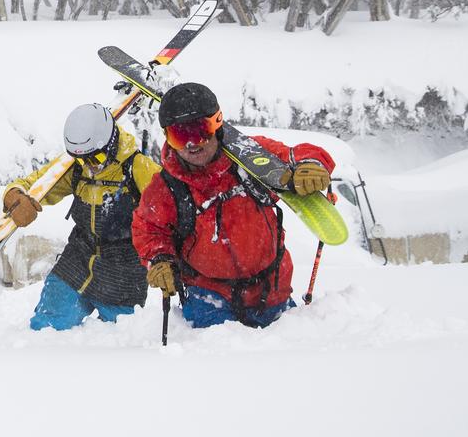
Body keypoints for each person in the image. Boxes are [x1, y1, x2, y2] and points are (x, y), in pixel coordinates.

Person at [132, 83, 334, 329]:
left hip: (272, 290)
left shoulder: (252, 156)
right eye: (179, 136)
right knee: (217, 364)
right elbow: (148, 229)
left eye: (200, 131)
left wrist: (311, 165)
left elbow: (302, 154)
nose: (191, 144)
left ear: (217, 124)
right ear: (167, 137)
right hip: (207, 298)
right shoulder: (166, 187)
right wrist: (161, 259)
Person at [2, 103, 160, 330]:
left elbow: (173, 208)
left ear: (112, 142)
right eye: (81, 159)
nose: (89, 166)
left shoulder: (138, 168)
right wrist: (15, 196)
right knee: (45, 328)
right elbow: (34, 184)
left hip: (123, 271)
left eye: (95, 158)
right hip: (78, 258)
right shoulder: (78, 166)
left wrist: (166, 256)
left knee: (118, 339)